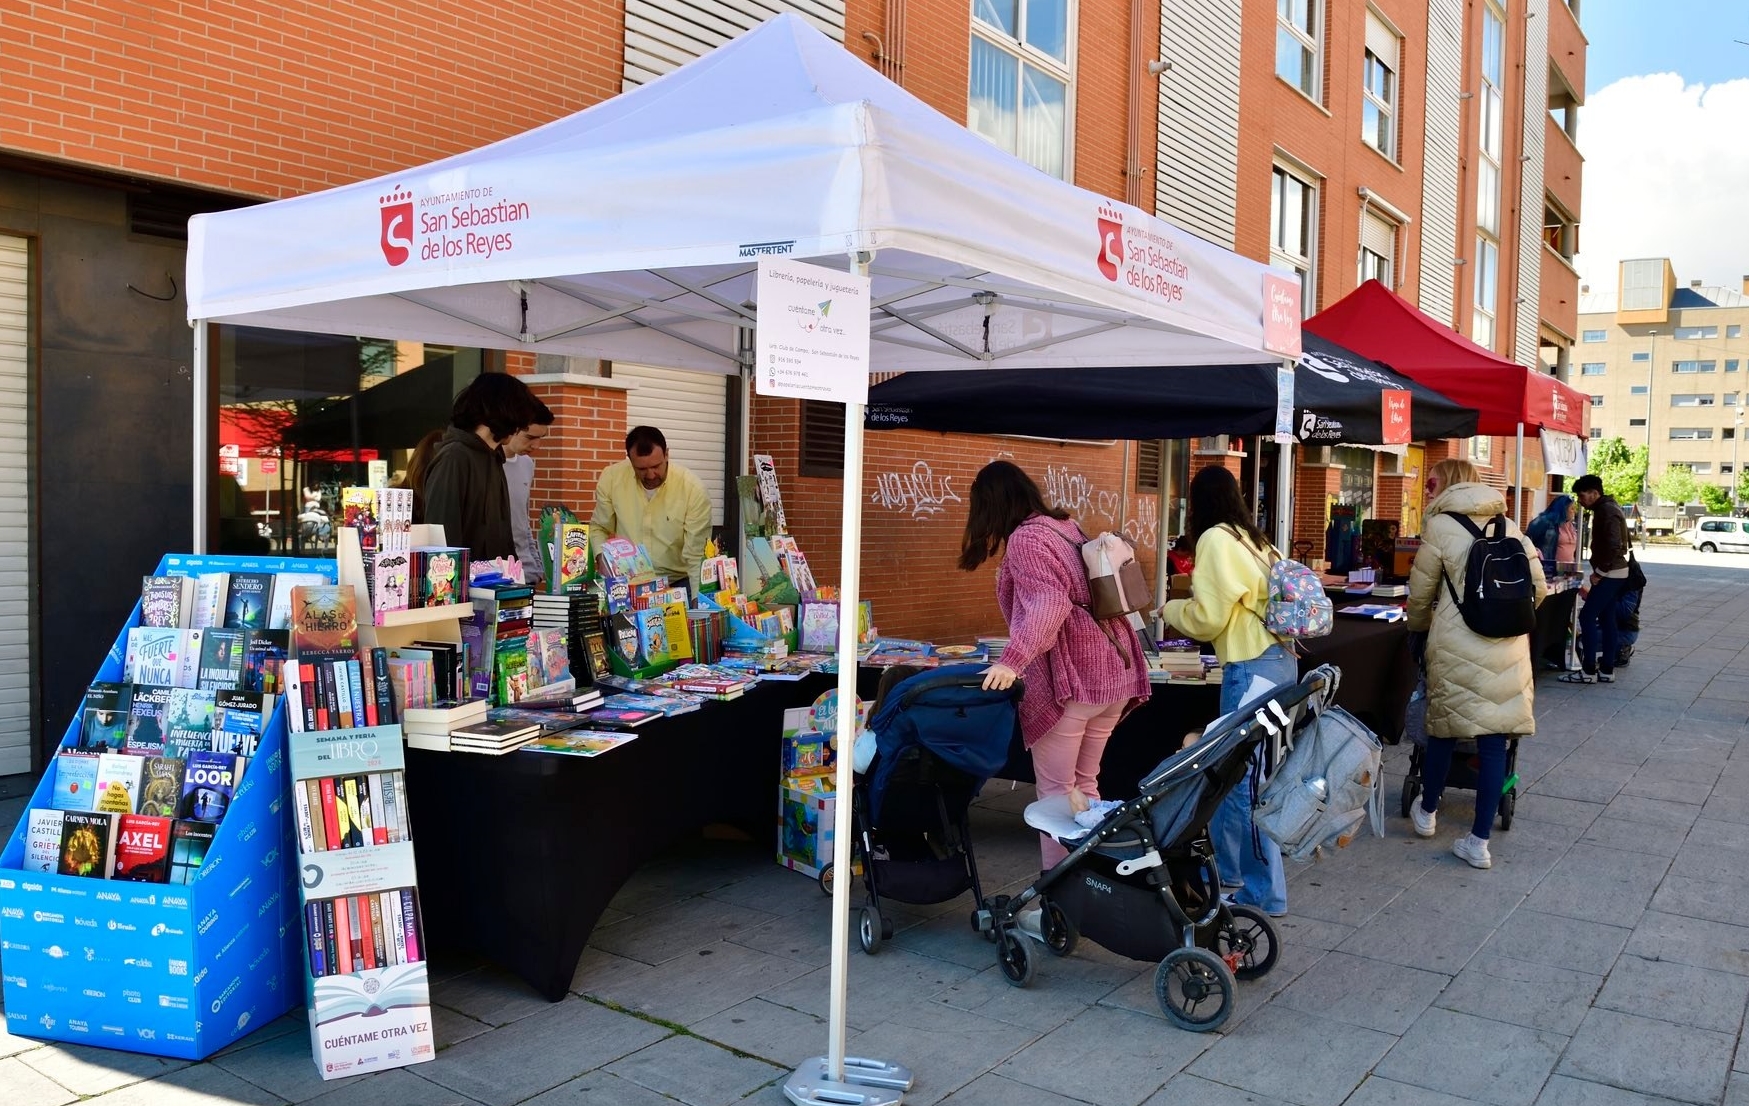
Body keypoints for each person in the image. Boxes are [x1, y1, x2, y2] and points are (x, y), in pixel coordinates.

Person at [959, 461, 1150, 882]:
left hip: (1075, 680)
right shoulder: (1066, 527)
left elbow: (1050, 605)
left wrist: (1012, 660)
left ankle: (1059, 890)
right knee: (1085, 786)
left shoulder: (1027, 539)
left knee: (1056, 796)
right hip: (1113, 672)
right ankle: (1092, 881)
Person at [1159, 466, 1296, 917]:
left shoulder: (1216, 539)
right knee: (1250, 776)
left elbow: (1208, 618)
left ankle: (1254, 889)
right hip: (1279, 661)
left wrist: (1171, 609)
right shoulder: (1255, 539)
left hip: (1250, 665)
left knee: (1239, 779)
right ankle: (1243, 880)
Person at [1405, 458, 1547, 870]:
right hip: (1508, 647)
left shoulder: (1439, 527)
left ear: (1446, 485)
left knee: (1444, 728)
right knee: (1494, 741)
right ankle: (1479, 841)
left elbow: (1420, 594)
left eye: (1432, 482)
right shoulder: (1510, 525)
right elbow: (1538, 589)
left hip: (1456, 644)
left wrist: (1420, 629)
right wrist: (1502, 618)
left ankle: (1427, 812)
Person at [421, 373, 545, 561]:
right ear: (502, 413)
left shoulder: (494, 457)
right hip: (461, 578)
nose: (517, 429)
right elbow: (442, 541)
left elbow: (502, 535)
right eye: (518, 420)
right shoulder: (454, 457)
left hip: (497, 577)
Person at [590, 426, 713, 592]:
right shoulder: (612, 478)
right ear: (630, 460)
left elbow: (696, 555)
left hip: (677, 582)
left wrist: (698, 599)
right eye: (641, 469)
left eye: (656, 466)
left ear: (667, 454)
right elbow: (599, 528)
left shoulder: (693, 489)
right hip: (628, 582)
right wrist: (601, 558)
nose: (650, 475)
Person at [1563, 473, 1631, 684]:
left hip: (1611, 573)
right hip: (1616, 572)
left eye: (1582, 496)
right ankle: (1607, 669)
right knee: (1607, 618)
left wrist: (1599, 573)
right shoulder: (1609, 507)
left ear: (1594, 493)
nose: (1580, 501)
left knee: (1587, 617)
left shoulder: (1606, 510)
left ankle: (1588, 670)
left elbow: (1614, 545)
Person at [502, 399, 555, 585]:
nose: (536, 445)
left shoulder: (526, 464)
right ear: (511, 429)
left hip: (526, 571)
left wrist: (535, 564)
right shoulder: (485, 464)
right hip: (494, 571)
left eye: (541, 438)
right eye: (530, 437)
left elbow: (522, 520)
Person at [1525, 494, 1578, 574]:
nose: (1575, 511)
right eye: (1572, 508)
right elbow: (1527, 541)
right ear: (1563, 509)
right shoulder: (1543, 522)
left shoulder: (1570, 525)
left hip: (1568, 570)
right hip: (1550, 569)